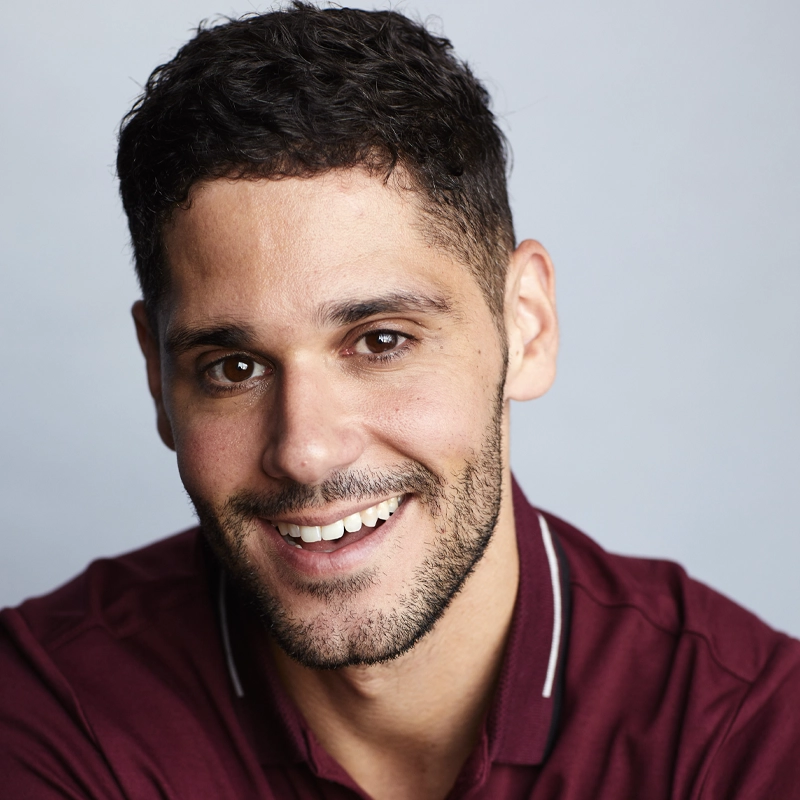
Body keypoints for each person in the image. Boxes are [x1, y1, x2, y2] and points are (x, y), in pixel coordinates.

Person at [1, 4, 799, 798]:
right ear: (157, 377)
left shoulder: (744, 735)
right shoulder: (50, 710)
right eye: (233, 367)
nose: (305, 449)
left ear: (526, 325)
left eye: (381, 341)